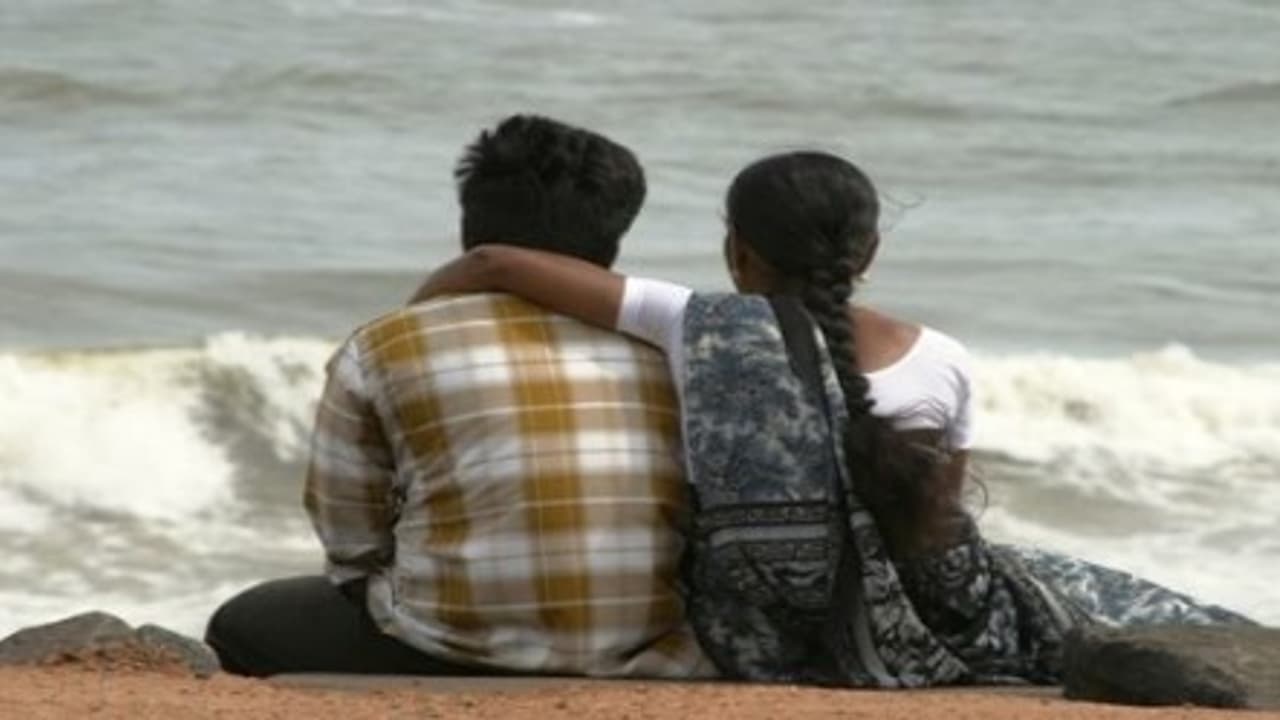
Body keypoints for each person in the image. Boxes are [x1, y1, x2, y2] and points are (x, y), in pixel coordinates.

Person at [411, 151, 1253, 686]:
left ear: (738, 251)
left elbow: (492, 262)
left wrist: (406, 331)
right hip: (938, 612)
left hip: (758, 633)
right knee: (1082, 588)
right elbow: (942, 524)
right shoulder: (943, 357)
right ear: (869, 254)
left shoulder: (693, 322)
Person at [204, 114, 713, 679]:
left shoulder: (383, 344)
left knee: (241, 624)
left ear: (471, 220)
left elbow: (350, 540)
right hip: (653, 646)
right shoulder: (678, 345)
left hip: (447, 645)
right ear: (613, 237)